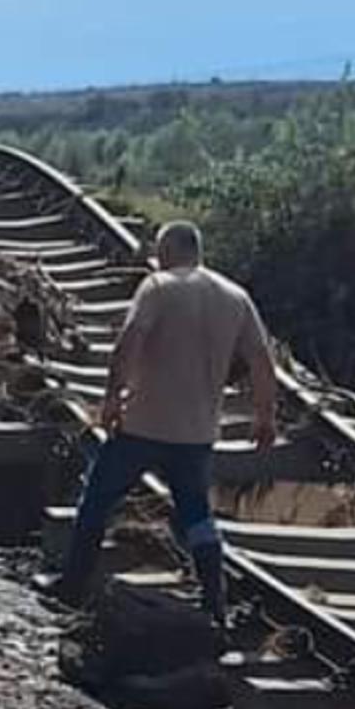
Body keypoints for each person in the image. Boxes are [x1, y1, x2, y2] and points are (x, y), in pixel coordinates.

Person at [57, 220, 279, 627]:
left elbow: (130, 341)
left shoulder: (158, 287)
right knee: (197, 515)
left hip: (144, 423)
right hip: (196, 433)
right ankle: (214, 603)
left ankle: (71, 585)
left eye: (159, 253)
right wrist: (266, 417)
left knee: (97, 499)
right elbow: (263, 363)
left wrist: (111, 398)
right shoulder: (236, 297)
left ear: (169, 251)